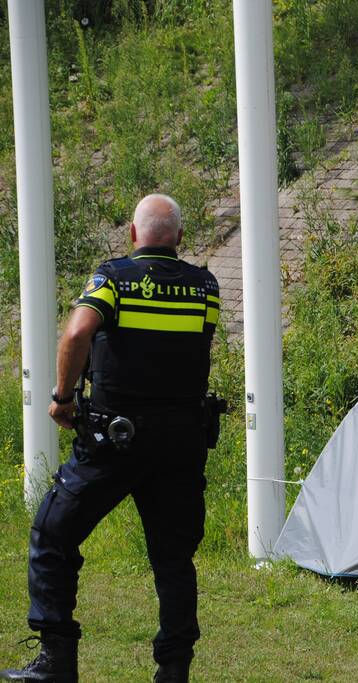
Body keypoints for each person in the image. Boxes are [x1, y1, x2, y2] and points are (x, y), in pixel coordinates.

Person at [2, 195, 221, 683]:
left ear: (132, 233)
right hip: (182, 441)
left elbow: (78, 331)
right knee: (173, 559)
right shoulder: (206, 287)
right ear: (180, 239)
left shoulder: (115, 278)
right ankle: (173, 670)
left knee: (52, 534)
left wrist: (62, 398)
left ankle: (56, 660)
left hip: (115, 441)